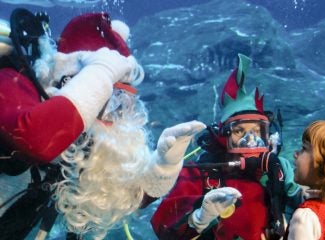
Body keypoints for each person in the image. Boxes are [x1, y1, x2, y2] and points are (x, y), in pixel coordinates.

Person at [0, 9, 205, 239]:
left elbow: (115, 193)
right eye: (111, 98)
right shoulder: (9, 83)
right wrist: (103, 71)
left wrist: (161, 169)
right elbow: (35, 138)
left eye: (125, 102)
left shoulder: (83, 139)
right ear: (75, 84)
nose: (115, 116)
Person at [151, 54, 301, 240]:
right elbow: (164, 228)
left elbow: (304, 205)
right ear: (223, 135)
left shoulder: (279, 169)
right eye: (239, 131)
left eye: (257, 131)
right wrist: (199, 218)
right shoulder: (201, 173)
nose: (250, 140)